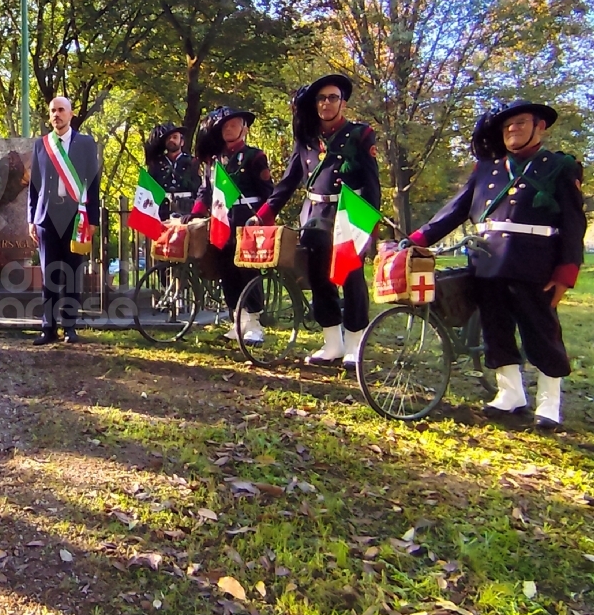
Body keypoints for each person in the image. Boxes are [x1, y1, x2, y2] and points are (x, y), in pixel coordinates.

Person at [407, 101, 585, 429]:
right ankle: (511, 394)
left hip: (535, 263)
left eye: (519, 123)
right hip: (487, 261)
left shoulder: (558, 167)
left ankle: (549, 404)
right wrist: (417, 238)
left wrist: (566, 271)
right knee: (495, 329)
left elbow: (574, 224)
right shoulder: (487, 169)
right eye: (506, 127)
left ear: (540, 127)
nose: (512, 130)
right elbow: (454, 211)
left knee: (542, 332)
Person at [250, 74, 381, 369]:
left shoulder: (360, 134)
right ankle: (332, 342)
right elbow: (288, 182)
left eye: (332, 98)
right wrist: (262, 216)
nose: (326, 103)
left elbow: (372, 183)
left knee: (350, 277)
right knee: (319, 278)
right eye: (321, 98)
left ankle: (355, 342)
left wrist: (371, 223)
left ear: (342, 103)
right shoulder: (307, 139)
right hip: (314, 216)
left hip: (349, 213)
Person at [190, 106, 273, 343]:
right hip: (222, 220)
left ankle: (255, 323)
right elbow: (206, 191)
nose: (229, 130)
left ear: (244, 129)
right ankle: (238, 320)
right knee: (227, 271)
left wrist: (261, 219)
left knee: (247, 270)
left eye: (234, 125)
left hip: (247, 219)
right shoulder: (215, 160)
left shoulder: (255, 157)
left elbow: (268, 192)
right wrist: (196, 214)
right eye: (225, 126)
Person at [29, 97, 102, 345]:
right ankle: (47, 328)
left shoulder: (85, 144)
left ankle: (70, 327)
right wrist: (31, 219)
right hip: (47, 218)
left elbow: (93, 183)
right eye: (53, 111)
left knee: (72, 273)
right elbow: (34, 186)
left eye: (61, 110)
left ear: (71, 114)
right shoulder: (42, 145)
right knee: (49, 275)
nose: (56, 115)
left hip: (76, 218)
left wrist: (93, 218)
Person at [145, 123, 197, 220]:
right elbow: (150, 190)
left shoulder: (193, 162)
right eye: (168, 138)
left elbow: (198, 189)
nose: (171, 140)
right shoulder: (156, 164)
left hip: (186, 210)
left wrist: (195, 212)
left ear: (182, 142)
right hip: (162, 212)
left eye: (175, 137)